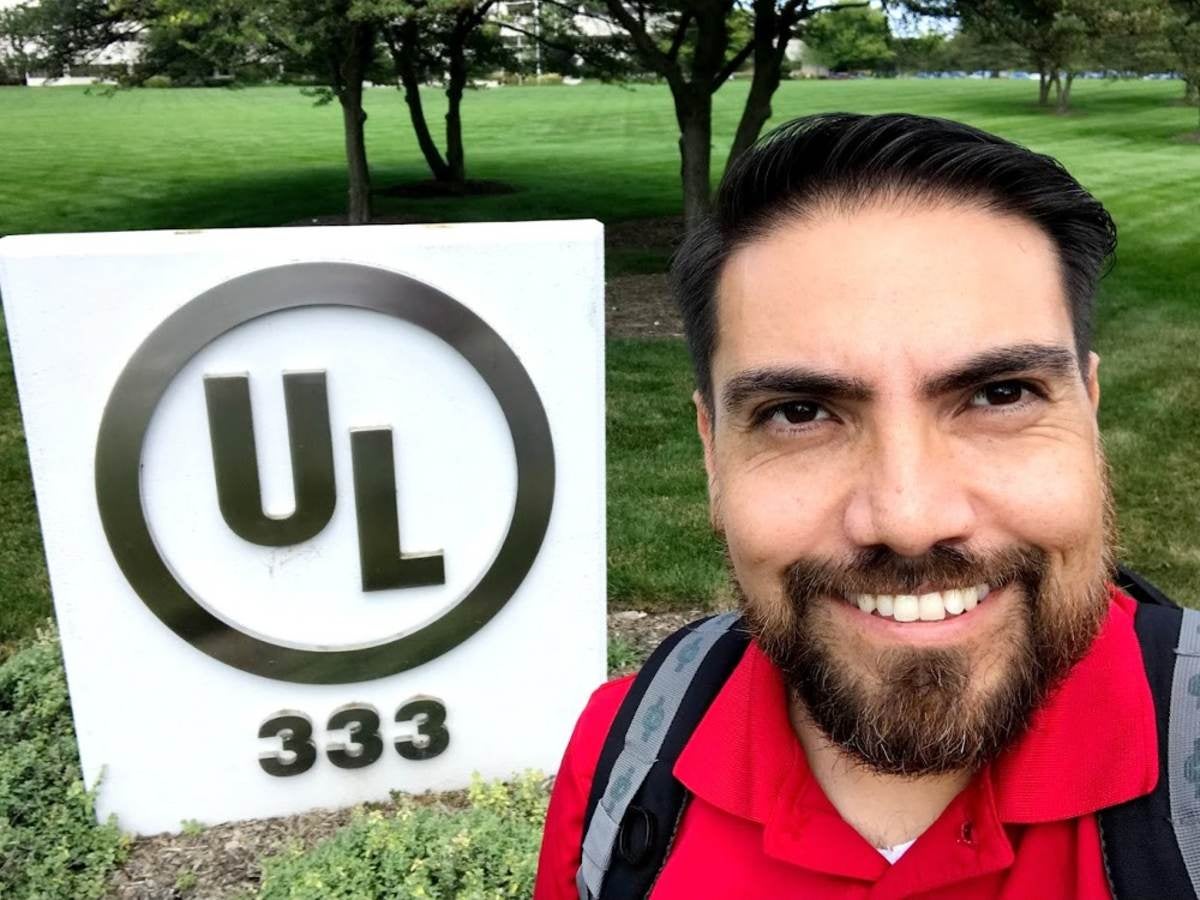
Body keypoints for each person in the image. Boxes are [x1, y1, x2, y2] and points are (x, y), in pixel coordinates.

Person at [534, 113, 1193, 898]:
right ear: (712, 452)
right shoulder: (626, 757)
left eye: (999, 394)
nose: (908, 518)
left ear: (1088, 411)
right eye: (800, 413)